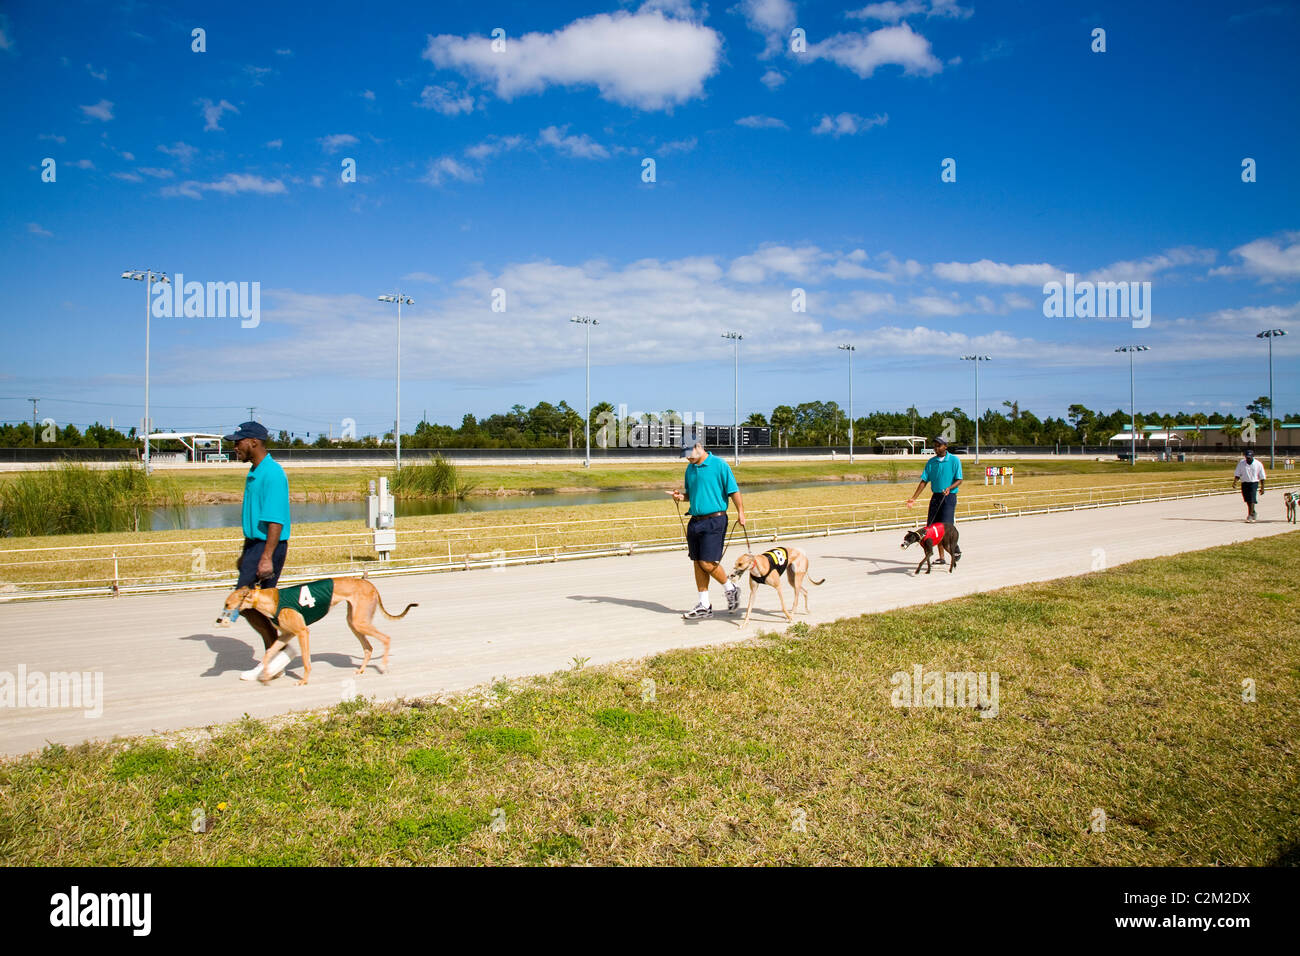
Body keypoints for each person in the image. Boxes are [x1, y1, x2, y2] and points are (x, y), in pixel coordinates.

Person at [219, 421, 294, 679]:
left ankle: (276, 655)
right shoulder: (255, 471)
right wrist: (246, 552)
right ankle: (275, 656)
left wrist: (265, 558)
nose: (234, 447)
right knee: (251, 603)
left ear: (254, 442)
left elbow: (275, 520)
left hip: (268, 547)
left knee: (249, 603)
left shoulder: (272, 473)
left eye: (237, 442)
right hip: (255, 545)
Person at [668, 439, 745, 620]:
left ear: (698, 447)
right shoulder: (690, 469)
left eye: (689, 454)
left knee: (707, 563)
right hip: (695, 521)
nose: (687, 459)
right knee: (697, 562)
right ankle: (704, 605)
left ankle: (730, 588)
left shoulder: (719, 465)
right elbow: (692, 495)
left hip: (715, 520)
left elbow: (733, 490)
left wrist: (741, 512)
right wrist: (681, 497)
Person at [904, 436, 963, 565]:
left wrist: (950, 488)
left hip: (949, 497)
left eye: (939, 445)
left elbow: (959, 480)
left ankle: (955, 549)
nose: (936, 448)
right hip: (936, 496)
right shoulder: (931, 462)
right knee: (933, 529)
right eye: (935, 446)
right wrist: (913, 498)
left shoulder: (954, 460)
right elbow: (924, 481)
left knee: (945, 527)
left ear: (945, 446)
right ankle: (941, 558)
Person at [1232, 448, 1266, 522]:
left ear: (1253, 456)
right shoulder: (1241, 463)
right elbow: (1237, 474)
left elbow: (1262, 477)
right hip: (1244, 483)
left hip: (1254, 483)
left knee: (1252, 499)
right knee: (1247, 499)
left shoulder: (1258, 464)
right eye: (1247, 457)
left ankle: (1250, 515)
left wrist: (1262, 488)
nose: (1248, 459)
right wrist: (1234, 482)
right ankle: (1253, 512)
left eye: (1250, 457)